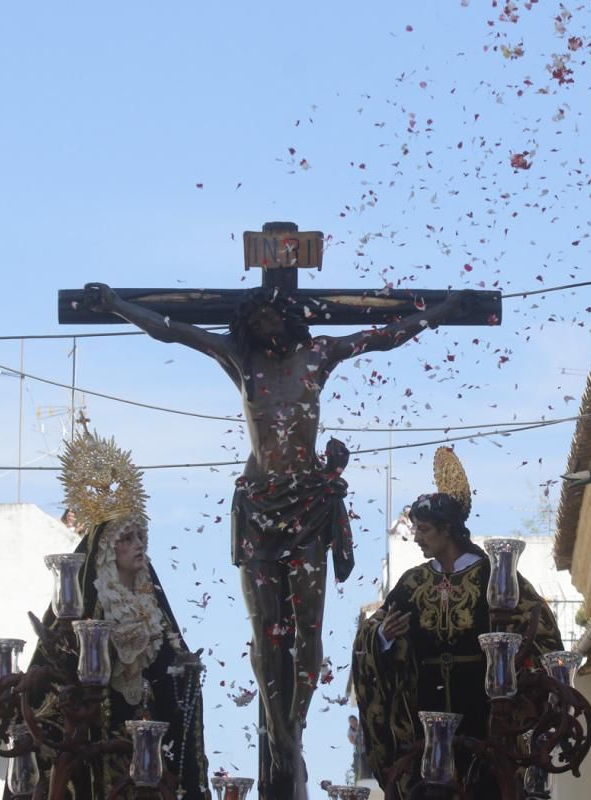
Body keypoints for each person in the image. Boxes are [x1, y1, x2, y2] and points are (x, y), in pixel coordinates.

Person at [84, 281, 472, 797]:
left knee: (308, 625)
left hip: (309, 505)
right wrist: (117, 306)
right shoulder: (241, 361)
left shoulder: (319, 354)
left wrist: (442, 311)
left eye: (272, 315)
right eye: (256, 317)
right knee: (265, 627)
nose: (265, 324)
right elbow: (174, 331)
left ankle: (296, 723)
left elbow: (385, 336)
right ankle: (278, 726)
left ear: (289, 316)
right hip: (261, 507)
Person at [352, 449, 563, 799]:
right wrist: (383, 637)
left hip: (485, 711)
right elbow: (371, 634)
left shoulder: (494, 577)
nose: (416, 538)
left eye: (423, 530)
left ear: (446, 530)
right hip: (424, 716)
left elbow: (539, 630)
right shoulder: (411, 584)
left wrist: (524, 674)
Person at [14, 431, 207, 799]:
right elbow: (57, 683)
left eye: (140, 537)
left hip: (148, 744)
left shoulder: (154, 611)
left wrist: (183, 674)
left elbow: (172, 668)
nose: (138, 545)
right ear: (105, 549)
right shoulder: (84, 612)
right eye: (127, 538)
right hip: (98, 738)